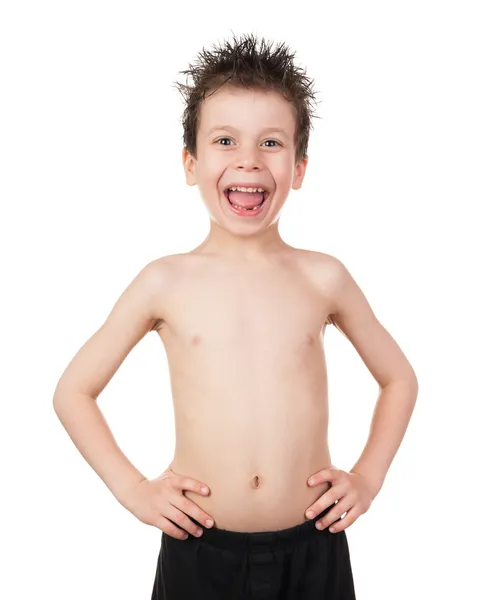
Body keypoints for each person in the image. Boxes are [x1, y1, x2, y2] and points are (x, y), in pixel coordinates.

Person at [53, 32, 418, 599]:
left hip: (313, 542)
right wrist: (135, 491)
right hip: (200, 544)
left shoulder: (324, 277)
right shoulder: (164, 280)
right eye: (226, 140)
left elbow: (399, 378)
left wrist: (367, 479)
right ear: (191, 163)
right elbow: (73, 391)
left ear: (298, 167)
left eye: (271, 143)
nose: (249, 160)